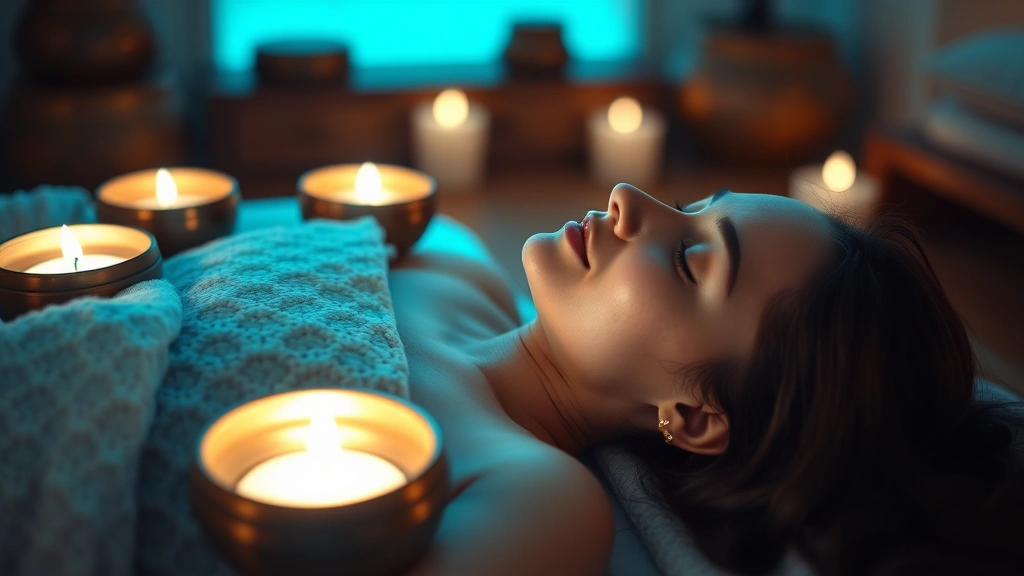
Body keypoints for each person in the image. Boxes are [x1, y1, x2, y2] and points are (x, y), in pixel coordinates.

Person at [389, 183, 1024, 576]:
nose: (627, 197)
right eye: (689, 207)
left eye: (689, 261)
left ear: (694, 417)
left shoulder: (541, 501)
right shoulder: (455, 260)